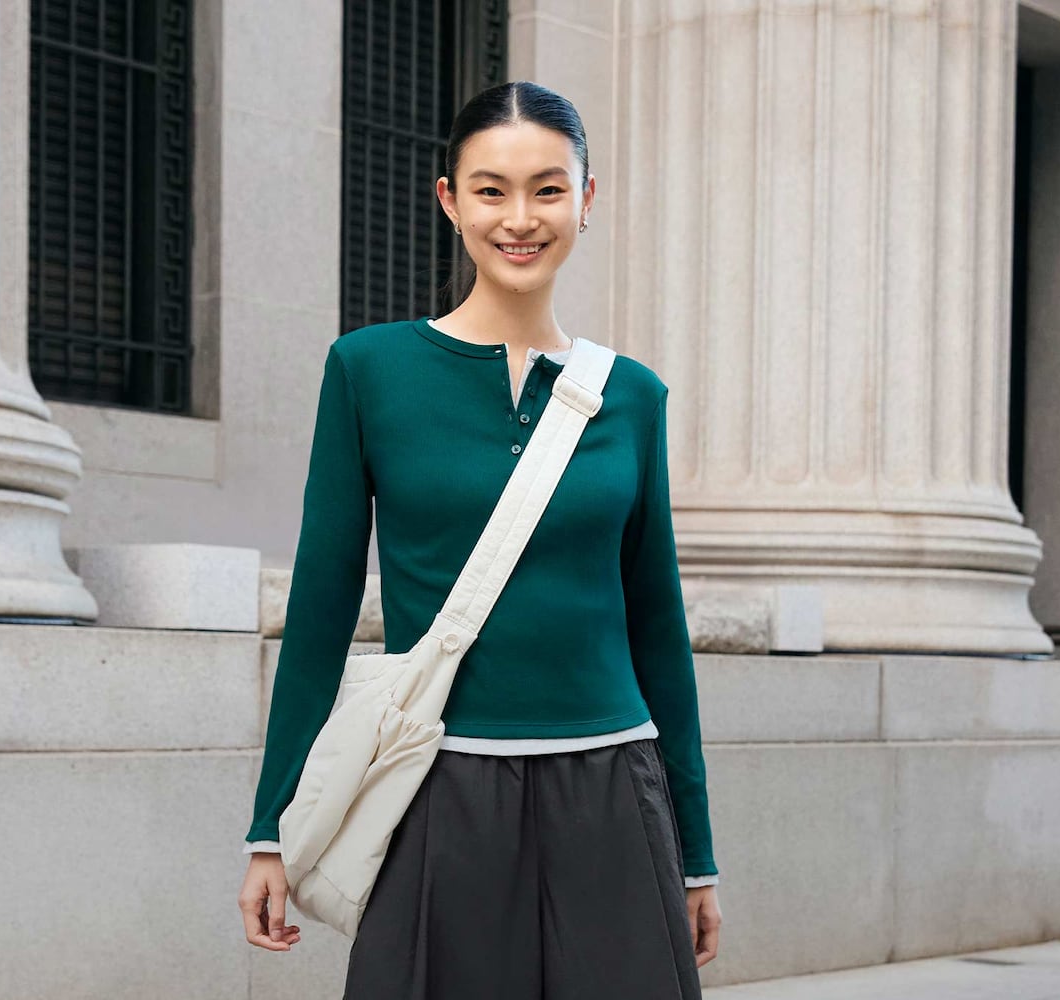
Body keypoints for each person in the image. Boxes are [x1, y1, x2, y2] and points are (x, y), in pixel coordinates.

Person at [237, 80, 723, 999]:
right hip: (434, 790)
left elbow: (658, 627)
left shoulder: (634, 397)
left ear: (587, 199)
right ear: (449, 200)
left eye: (548, 188)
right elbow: (321, 613)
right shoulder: (367, 371)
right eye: (491, 189)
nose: (520, 218)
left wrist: (696, 853)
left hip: (612, 790)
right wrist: (273, 828)